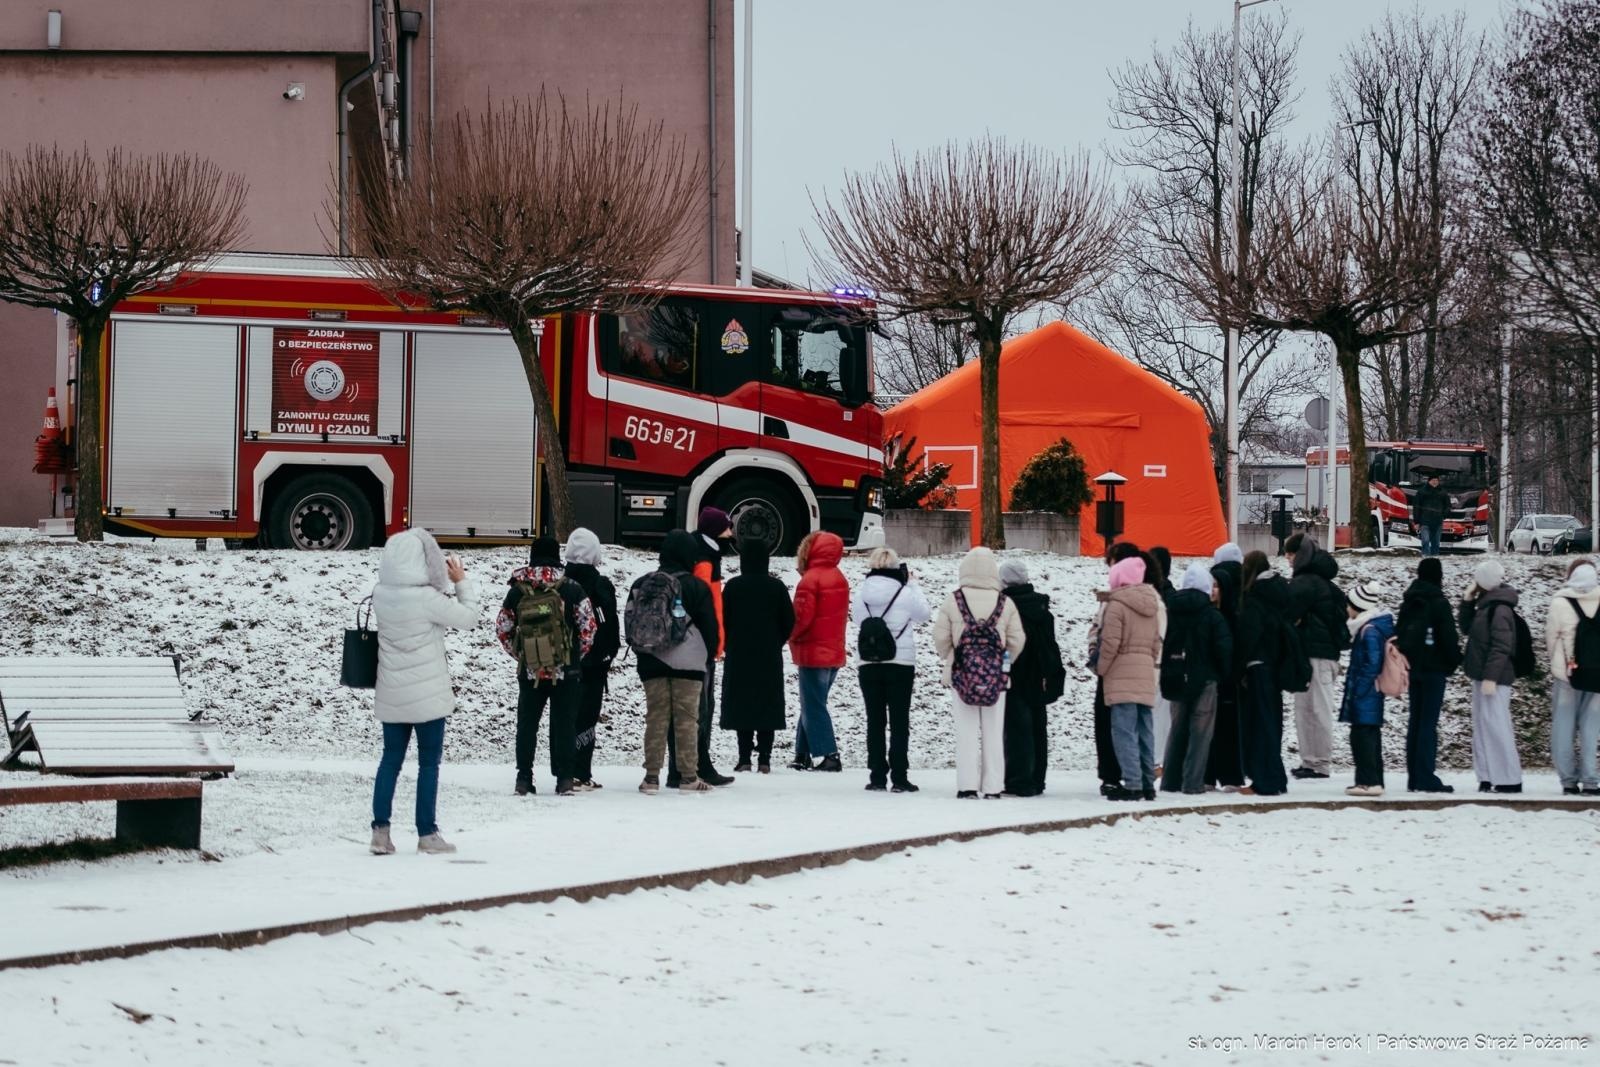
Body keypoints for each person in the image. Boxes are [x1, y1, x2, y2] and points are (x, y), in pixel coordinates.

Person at [369, 528, 479, 855]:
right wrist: (460, 581)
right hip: (428, 695)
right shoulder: (427, 599)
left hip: (391, 692)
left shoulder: (380, 594)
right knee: (428, 764)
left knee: (390, 761)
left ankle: (380, 832)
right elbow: (469, 618)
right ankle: (427, 833)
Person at [497, 536, 597, 798]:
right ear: (557, 555)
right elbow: (588, 627)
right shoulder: (571, 587)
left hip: (530, 669)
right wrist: (574, 655)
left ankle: (524, 778)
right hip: (565, 669)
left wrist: (522, 655)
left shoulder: (518, 589)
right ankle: (564, 779)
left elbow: (503, 628)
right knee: (564, 722)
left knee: (527, 723)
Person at [629, 530, 722, 793]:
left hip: (650, 660)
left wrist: (644, 652)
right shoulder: (695, 586)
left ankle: (650, 778)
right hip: (689, 662)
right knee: (687, 719)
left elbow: (631, 620)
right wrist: (709, 655)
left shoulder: (642, 583)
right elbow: (709, 627)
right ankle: (688, 777)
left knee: (656, 717)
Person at [934, 547, 1027, 798]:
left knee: (966, 733)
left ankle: (967, 786)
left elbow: (940, 637)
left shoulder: (954, 600)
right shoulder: (1005, 603)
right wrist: (1001, 662)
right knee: (994, 733)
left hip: (962, 676)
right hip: (996, 678)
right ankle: (993, 787)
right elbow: (1017, 639)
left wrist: (952, 657)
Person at [852, 546, 933, 792]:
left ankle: (877, 776)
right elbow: (924, 615)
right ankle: (899, 777)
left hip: (869, 663)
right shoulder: (905, 593)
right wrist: (913, 585)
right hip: (900, 662)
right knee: (899, 720)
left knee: (874, 720)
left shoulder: (861, 593)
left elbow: (857, 619)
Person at [668, 506, 736, 787]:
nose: (731, 532)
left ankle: (684, 766)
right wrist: (713, 642)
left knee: (689, 709)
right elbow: (707, 606)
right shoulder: (706, 561)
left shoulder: (702, 553)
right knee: (700, 709)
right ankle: (696, 765)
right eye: (727, 528)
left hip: (697, 644)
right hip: (701, 646)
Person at [719, 535, 795, 775]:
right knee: (767, 705)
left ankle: (743, 758)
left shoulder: (733, 586)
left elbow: (723, 619)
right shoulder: (777, 587)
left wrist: (729, 643)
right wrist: (776, 641)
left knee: (742, 705)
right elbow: (789, 622)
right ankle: (765, 758)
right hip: (768, 655)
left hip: (739, 655)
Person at [1160, 563, 1232, 795]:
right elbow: (1223, 648)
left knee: (1177, 729)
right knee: (1200, 733)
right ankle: (1192, 783)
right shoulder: (1212, 615)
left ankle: (1170, 781)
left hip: (1175, 675)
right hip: (1206, 679)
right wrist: (1221, 673)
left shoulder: (1170, 609)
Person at [1096, 555, 1163, 801]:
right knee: (1145, 730)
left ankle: (1133, 783)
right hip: (1145, 673)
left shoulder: (1117, 605)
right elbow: (1156, 643)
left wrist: (1101, 669)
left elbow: (1110, 643)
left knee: (1124, 731)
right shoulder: (1151, 604)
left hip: (1122, 674)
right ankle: (1147, 783)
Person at [999, 559, 1065, 797]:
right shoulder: (1041, 606)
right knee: (1038, 726)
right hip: (1039, 673)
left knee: (1017, 728)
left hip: (1015, 670)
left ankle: (1019, 781)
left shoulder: (1006, 606)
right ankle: (1038, 778)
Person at [1395, 556, 1461, 793]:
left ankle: (1414, 776)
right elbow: (1448, 638)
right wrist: (1453, 662)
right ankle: (1426, 776)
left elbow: (1399, 633)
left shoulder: (1409, 599)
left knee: (1415, 720)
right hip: (1434, 670)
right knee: (1428, 724)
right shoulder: (1438, 602)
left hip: (1413, 668)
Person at [1285, 533, 1348, 780]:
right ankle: (1313, 761)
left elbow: (1288, 613)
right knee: (1313, 709)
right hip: (1323, 654)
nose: (1288, 560)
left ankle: (1316, 762)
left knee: (1311, 710)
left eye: (1290, 555)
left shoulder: (1304, 583)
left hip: (1314, 655)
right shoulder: (1325, 583)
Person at [1459, 559, 1524, 794]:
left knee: (1497, 726)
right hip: (1482, 676)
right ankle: (1486, 775)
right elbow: (1467, 629)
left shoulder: (1500, 609)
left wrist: (1491, 677)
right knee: (1483, 726)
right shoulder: (1485, 606)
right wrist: (1467, 603)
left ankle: (1509, 777)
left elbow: (1501, 646)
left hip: (1495, 678)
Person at [563, 527, 620, 792]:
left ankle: (564, 770)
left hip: (562, 660)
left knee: (565, 715)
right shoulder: (601, 585)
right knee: (587, 716)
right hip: (594, 662)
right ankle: (581, 771)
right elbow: (610, 626)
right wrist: (608, 655)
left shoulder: (560, 583)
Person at [789, 530, 850, 772]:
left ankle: (829, 754)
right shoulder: (839, 577)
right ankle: (802, 753)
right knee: (814, 702)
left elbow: (801, 618)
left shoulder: (810, 579)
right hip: (833, 650)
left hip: (813, 651)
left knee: (813, 705)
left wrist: (788, 634)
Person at [1091, 541, 1144, 795]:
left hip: (1113, 670)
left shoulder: (1116, 600)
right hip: (1136, 671)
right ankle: (1129, 774)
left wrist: (1098, 661)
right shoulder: (1145, 598)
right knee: (1133, 724)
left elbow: (1105, 635)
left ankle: (1116, 774)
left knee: (1113, 723)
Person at [1235, 550, 1290, 796]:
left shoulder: (1255, 598)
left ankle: (1262, 780)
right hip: (1276, 665)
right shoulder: (1280, 591)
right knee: (1272, 722)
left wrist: (1237, 667)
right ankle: (1275, 777)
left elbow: (1248, 636)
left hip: (1258, 666)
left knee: (1259, 724)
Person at [1544, 560, 1600, 796]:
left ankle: (1568, 780)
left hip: (1567, 674)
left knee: (1563, 728)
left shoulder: (1560, 602)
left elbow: (1550, 638)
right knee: (1591, 729)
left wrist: (1558, 664)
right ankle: (1590, 780)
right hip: (1598, 675)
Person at [1339, 579, 1394, 797]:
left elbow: (1373, 663)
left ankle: (1368, 782)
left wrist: (1359, 689)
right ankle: (1373, 781)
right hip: (1369, 694)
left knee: (1362, 738)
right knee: (1368, 737)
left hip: (1366, 694)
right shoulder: (1370, 628)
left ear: (1357, 607)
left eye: (1348, 605)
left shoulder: (1368, 631)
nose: (1346, 609)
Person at [1207, 542, 1247, 790]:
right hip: (1236, 675)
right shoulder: (1245, 589)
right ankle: (1233, 774)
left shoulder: (1215, 611)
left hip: (1217, 674)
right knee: (1233, 726)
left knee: (1212, 725)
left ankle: (1209, 774)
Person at [1148, 546, 1178, 771]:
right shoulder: (1172, 594)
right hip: (1169, 659)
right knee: (1163, 712)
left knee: (1156, 711)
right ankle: (1161, 758)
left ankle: (1156, 760)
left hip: (1156, 660)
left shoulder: (1155, 596)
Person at [1411, 474, 1451, 558]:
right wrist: (1416, 521)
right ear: (1429, 481)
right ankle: (1426, 556)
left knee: (1436, 542)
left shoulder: (1443, 492)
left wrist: (1444, 515)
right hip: (1425, 521)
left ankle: (1435, 558)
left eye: (1436, 480)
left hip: (1438, 521)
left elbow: (1448, 505)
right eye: (1433, 480)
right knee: (1425, 540)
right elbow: (1416, 507)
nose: (1435, 482)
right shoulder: (1422, 492)